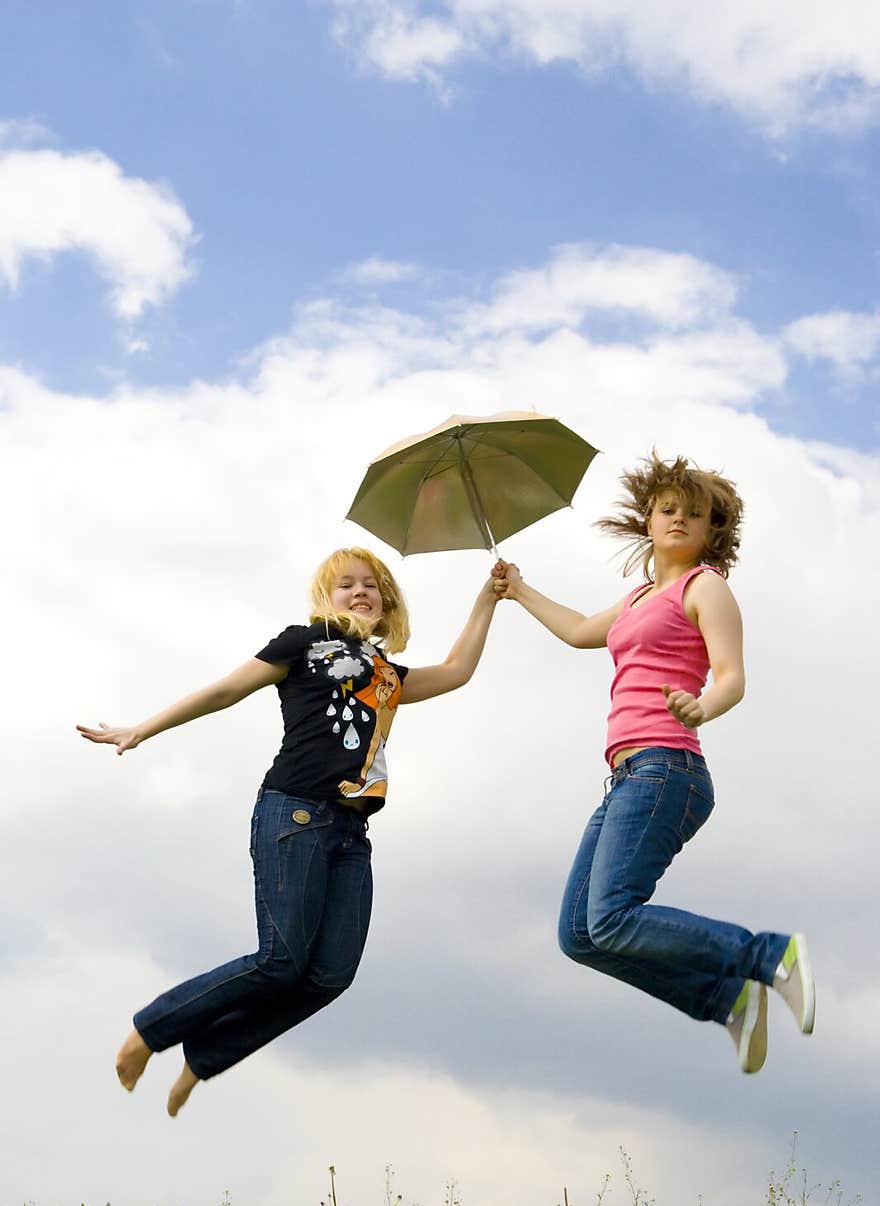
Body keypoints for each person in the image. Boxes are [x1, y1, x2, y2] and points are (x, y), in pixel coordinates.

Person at [77, 546, 500, 1115]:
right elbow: (225, 690)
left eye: (371, 586)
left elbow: (456, 671)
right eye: (346, 585)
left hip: (352, 833)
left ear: (387, 601)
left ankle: (204, 1057)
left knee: (329, 975)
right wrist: (142, 729)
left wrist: (489, 598)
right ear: (326, 598)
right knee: (280, 960)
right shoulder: (302, 643)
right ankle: (151, 1031)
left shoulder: (387, 674)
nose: (360, 592)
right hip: (294, 814)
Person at [492, 450, 815, 1074]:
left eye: (693, 514)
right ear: (648, 518)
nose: (677, 520)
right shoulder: (641, 596)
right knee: (581, 936)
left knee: (611, 916)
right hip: (627, 778)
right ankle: (727, 1000)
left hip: (669, 767)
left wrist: (701, 707)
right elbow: (583, 630)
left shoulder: (706, 586)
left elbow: (733, 676)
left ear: (709, 530)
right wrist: (519, 589)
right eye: (667, 510)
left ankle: (770, 955)